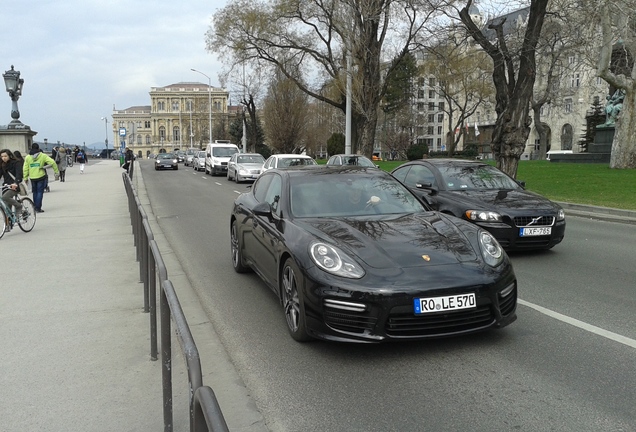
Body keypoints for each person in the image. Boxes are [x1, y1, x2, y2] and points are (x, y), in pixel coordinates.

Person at [23, 143, 59, 213]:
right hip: (41, 176)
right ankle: (38, 208)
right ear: (38, 148)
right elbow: (53, 162)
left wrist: (25, 177)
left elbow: (25, 168)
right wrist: (56, 172)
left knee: (35, 192)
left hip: (32, 177)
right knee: (40, 192)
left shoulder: (28, 157)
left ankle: (34, 206)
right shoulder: (43, 156)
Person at [1, 149, 25, 221]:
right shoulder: (2, 164)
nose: (3, 158)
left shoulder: (16, 163)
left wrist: (15, 183)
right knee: (7, 206)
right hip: (6, 186)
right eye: (2, 156)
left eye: (5, 156)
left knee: (5, 197)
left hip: (15, 185)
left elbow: (19, 175)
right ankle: (9, 223)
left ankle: (18, 206)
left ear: (10, 155)